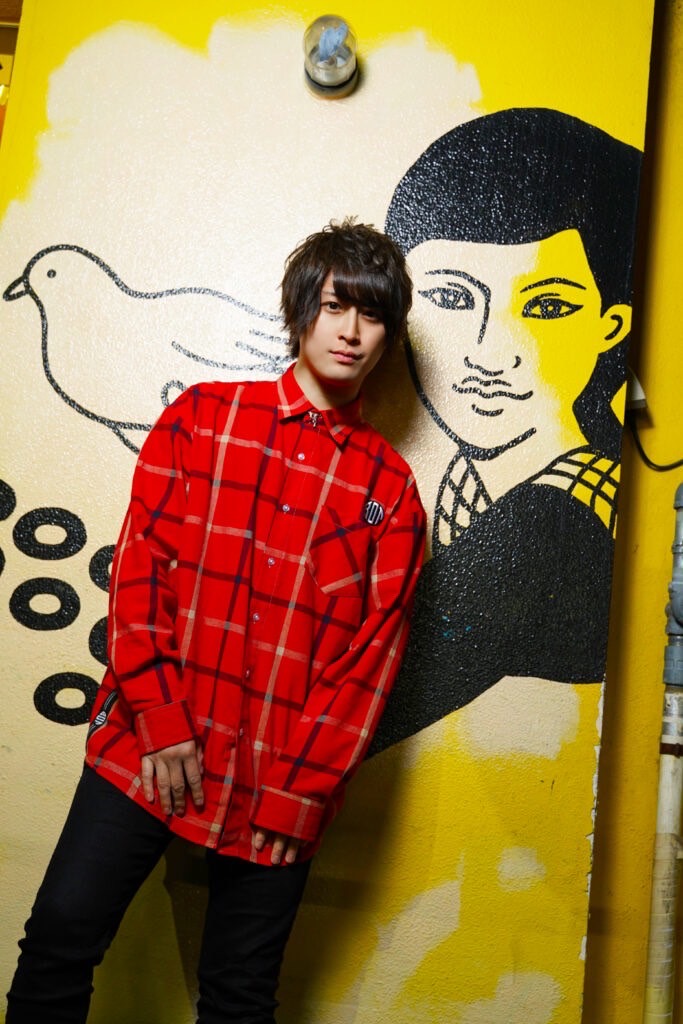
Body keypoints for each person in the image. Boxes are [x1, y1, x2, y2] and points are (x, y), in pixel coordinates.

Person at [6, 220, 426, 1023]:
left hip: (278, 781)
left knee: (239, 1000)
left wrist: (301, 795)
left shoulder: (390, 490)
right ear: (299, 310)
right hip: (146, 745)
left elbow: (369, 665)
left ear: (389, 335)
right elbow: (139, 576)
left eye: (371, 315)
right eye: (335, 305)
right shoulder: (201, 417)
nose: (350, 330)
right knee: (59, 939)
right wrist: (161, 721)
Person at [370, 108, 642, 753]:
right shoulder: (458, 485)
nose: (489, 352)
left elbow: (368, 702)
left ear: (610, 327)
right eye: (452, 298)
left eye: (546, 306)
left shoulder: (554, 522)